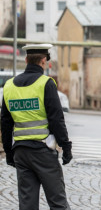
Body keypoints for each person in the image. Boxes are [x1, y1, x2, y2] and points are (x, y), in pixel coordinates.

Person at [1, 44, 72, 210]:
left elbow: (5, 122)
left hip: (21, 152)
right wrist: (66, 147)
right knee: (58, 203)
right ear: (43, 61)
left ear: (26, 60)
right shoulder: (46, 83)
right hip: (43, 152)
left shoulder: (9, 86)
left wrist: (9, 152)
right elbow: (56, 119)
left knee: (27, 205)